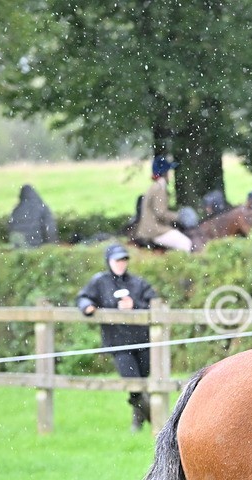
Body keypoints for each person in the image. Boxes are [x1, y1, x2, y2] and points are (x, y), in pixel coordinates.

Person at [76, 244, 159, 432]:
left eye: (124, 260)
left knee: (141, 382)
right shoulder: (100, 282)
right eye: (117, 260)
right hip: (118, 343)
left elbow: (154, 304)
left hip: (142, 341)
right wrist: (87, 307)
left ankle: (137, 423)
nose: (121, 264)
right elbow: (83, 298)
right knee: (133, 383)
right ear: (109, 262)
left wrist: (135, 305)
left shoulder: (138, 283)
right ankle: (158, 422)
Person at [134, 156, 193, 252]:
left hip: (150, 228)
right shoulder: (160, 188)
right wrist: (179, 216)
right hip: (154, 231)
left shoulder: (155, 186)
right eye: (169, 172)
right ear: (165, 173)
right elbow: (161, 213)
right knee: (185, 243)